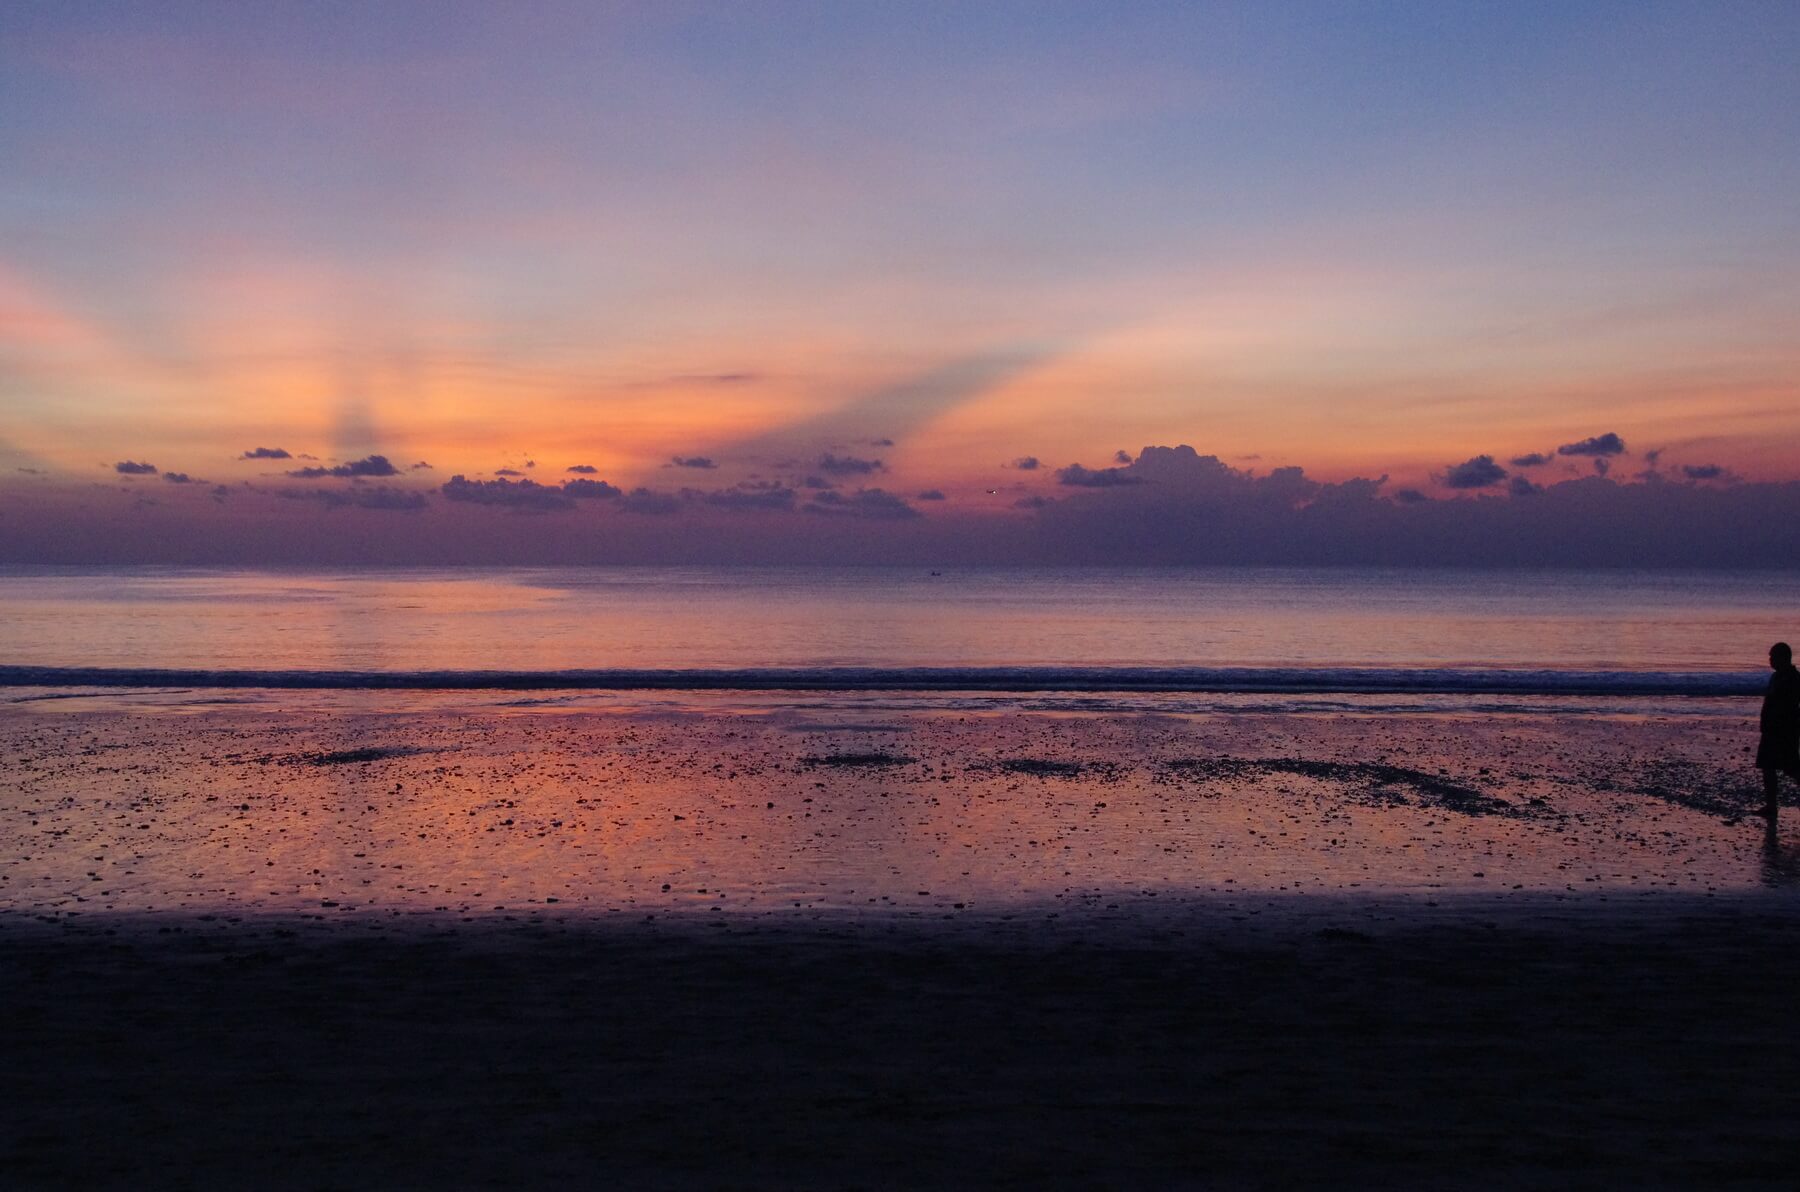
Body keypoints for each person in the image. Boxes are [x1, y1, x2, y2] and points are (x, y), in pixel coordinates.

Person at [1754, 642, 1800, 818]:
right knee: (1768, 767)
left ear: (1783, 658)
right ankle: (1771, 807)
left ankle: (1771, 807)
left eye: (1773, 657)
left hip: (1785, 730)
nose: (1770, 660)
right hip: (1771, 729)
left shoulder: (1794, 678)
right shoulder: (1776, 677)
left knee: (1792, 768)